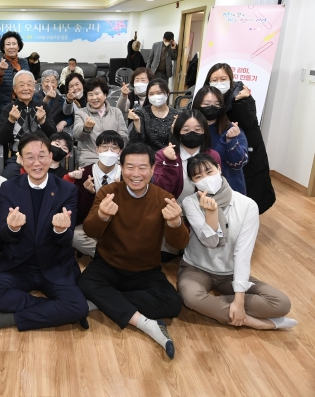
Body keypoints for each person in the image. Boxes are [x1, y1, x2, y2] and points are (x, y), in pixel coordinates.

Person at [0, 132, 88, 340]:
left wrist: (60, 230)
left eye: (42, 156)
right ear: (20, 159)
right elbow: (5, 235)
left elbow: (66, 239)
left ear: (50, 157)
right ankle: (56, 309)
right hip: (19, 265)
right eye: (30, 157)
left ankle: (7, 318)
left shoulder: (67, 189)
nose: (36, 163)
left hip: (54, 264)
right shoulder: (9, 187)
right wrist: (13, 228)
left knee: (78, 307)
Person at [78, 143, 189, 360]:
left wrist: (175, 222)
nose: (135, 174)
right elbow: (90, 231)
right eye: (130, 167)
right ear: (121, 167)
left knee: (173, 303)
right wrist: (102, 215)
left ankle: (104, 301)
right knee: (85, 283)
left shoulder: (164, 197)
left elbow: (179, 243)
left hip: (146, 270)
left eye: (142, 167)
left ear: (153, 168)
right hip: (108, 265)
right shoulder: (108, 192)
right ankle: (146, 324)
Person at [178, 154, 296, 330]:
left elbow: (243, 253)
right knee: (191, 296)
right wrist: (211, 213)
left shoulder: (247, 205)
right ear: (192, 181)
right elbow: (210, 241)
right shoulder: (190, 203)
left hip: (229, 272)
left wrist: (239, 302)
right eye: (198, 176)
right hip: (196, 268)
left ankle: (216, 307)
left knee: (281, 303)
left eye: (209, 172)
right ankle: (252, 321)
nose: (206, 179)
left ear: (219, 169)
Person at [204, 63, 275, 214]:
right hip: (222, 148)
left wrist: (239, 101)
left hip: (246, 147)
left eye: (223, 79)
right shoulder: (208, 96)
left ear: (230, 79)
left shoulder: (243, 96)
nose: (219, 83)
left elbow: (247, 122)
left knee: (249, 187)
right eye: (214, 80)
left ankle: (246, 218)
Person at [67, 130, 124, 257]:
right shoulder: (84, 173)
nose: (109, 151)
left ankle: (105, 254)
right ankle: (111, 256)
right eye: (104, 147)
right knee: (75, 236)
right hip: (90, 224)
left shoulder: (125, 174)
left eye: (114, 148)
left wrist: (121, 194)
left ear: (120, 152)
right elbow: (79, 213)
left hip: (117, 226)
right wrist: (89, 193)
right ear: (97, 149)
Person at [0, 70, 56, 179]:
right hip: (18, 156)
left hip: (41, 155)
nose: (26, 88)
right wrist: (11, 120)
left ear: (34, 87)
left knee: (54, 177)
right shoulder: (8, 110)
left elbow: (53, 136)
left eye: (29, 84)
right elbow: (1, 139)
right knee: (8, 177)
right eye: (21, 85)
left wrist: (43, 122)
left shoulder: (43, 107)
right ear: (15, 89)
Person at [153, 110, 221, 204]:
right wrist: (169, 164)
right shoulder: (163, 155)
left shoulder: (213, 156)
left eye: (197, 129)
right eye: (186, 130)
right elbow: (160, 190)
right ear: (178, 132)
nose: (192, 133)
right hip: (171, 207)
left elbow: (217, 187)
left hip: (204, 207)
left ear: (204, 131)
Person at [193, 86, 249, 194]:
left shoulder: (232, 129)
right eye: (206, 104)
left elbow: (239, 163)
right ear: (198, 105)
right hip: (198, 191)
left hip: (230, 190)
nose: (212, 107)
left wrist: (231, 141)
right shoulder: (190, 130)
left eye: (217, 104)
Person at [74, 77, 128, 168]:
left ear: (105, 95)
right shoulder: (81, 113)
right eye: (90, 94)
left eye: (97, 93)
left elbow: (124, 136)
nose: (94, 98)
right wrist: (86, 129)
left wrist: (113, 151)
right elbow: (77, 136)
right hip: (89, 158)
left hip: (113, 157)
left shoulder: (116, 112)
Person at [128, 78, 180, 152]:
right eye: (151, 94)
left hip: (169, 154)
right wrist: (137, 122)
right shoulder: (142, 113)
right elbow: (135, 143)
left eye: (159, 93)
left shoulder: (176, 115)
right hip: (147, 154)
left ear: (167, 93)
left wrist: (174, 130)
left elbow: (178, 144)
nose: (155, 96)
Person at [0, 31, 29, 119]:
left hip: (23, 105)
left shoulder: (24, 62)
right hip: (3, 107)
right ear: (3, 47)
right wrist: (1, 71)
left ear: (18, 46)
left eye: (14, 44)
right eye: (8, 44)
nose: (11, 47)